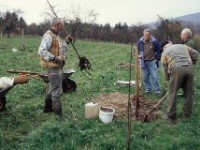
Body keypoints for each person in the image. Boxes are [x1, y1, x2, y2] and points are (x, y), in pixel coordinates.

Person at [38, 17, 72, 119]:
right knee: (57, 90)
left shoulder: (56, 36)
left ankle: (47, 108)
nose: (62, 28)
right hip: (52, 67)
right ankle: (59, 115)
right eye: (61, 26)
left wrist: (66, 42)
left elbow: (60, 51)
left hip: (56, 66)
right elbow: (41, 51)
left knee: (54, 87)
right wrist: (54, 59)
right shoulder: (49, 36)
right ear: (56, 25)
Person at [160, 41, 198, 121]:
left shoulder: (164, 53)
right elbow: (195, 54)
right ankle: (187, 114)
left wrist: (168, 79)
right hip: (190, 68)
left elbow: (164, 69)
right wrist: (192, 62)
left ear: (164, 48)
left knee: (172, 93)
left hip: (177, 68)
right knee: (188, 92)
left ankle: (171, 115)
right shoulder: (183, 46)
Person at [137, 29, 161, 94]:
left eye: (148, 35)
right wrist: (138, 55)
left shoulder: (154, 42)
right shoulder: (140, 42)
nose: (146, 37)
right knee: (145, 77)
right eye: (145, 35)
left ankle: (157, 90)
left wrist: (157, 58)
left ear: (150, 35)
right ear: (143, 35)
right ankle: (148, 89)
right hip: (143, 62)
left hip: (152, 61)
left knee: (154, 76)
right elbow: (138, 51)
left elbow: (159, 50)